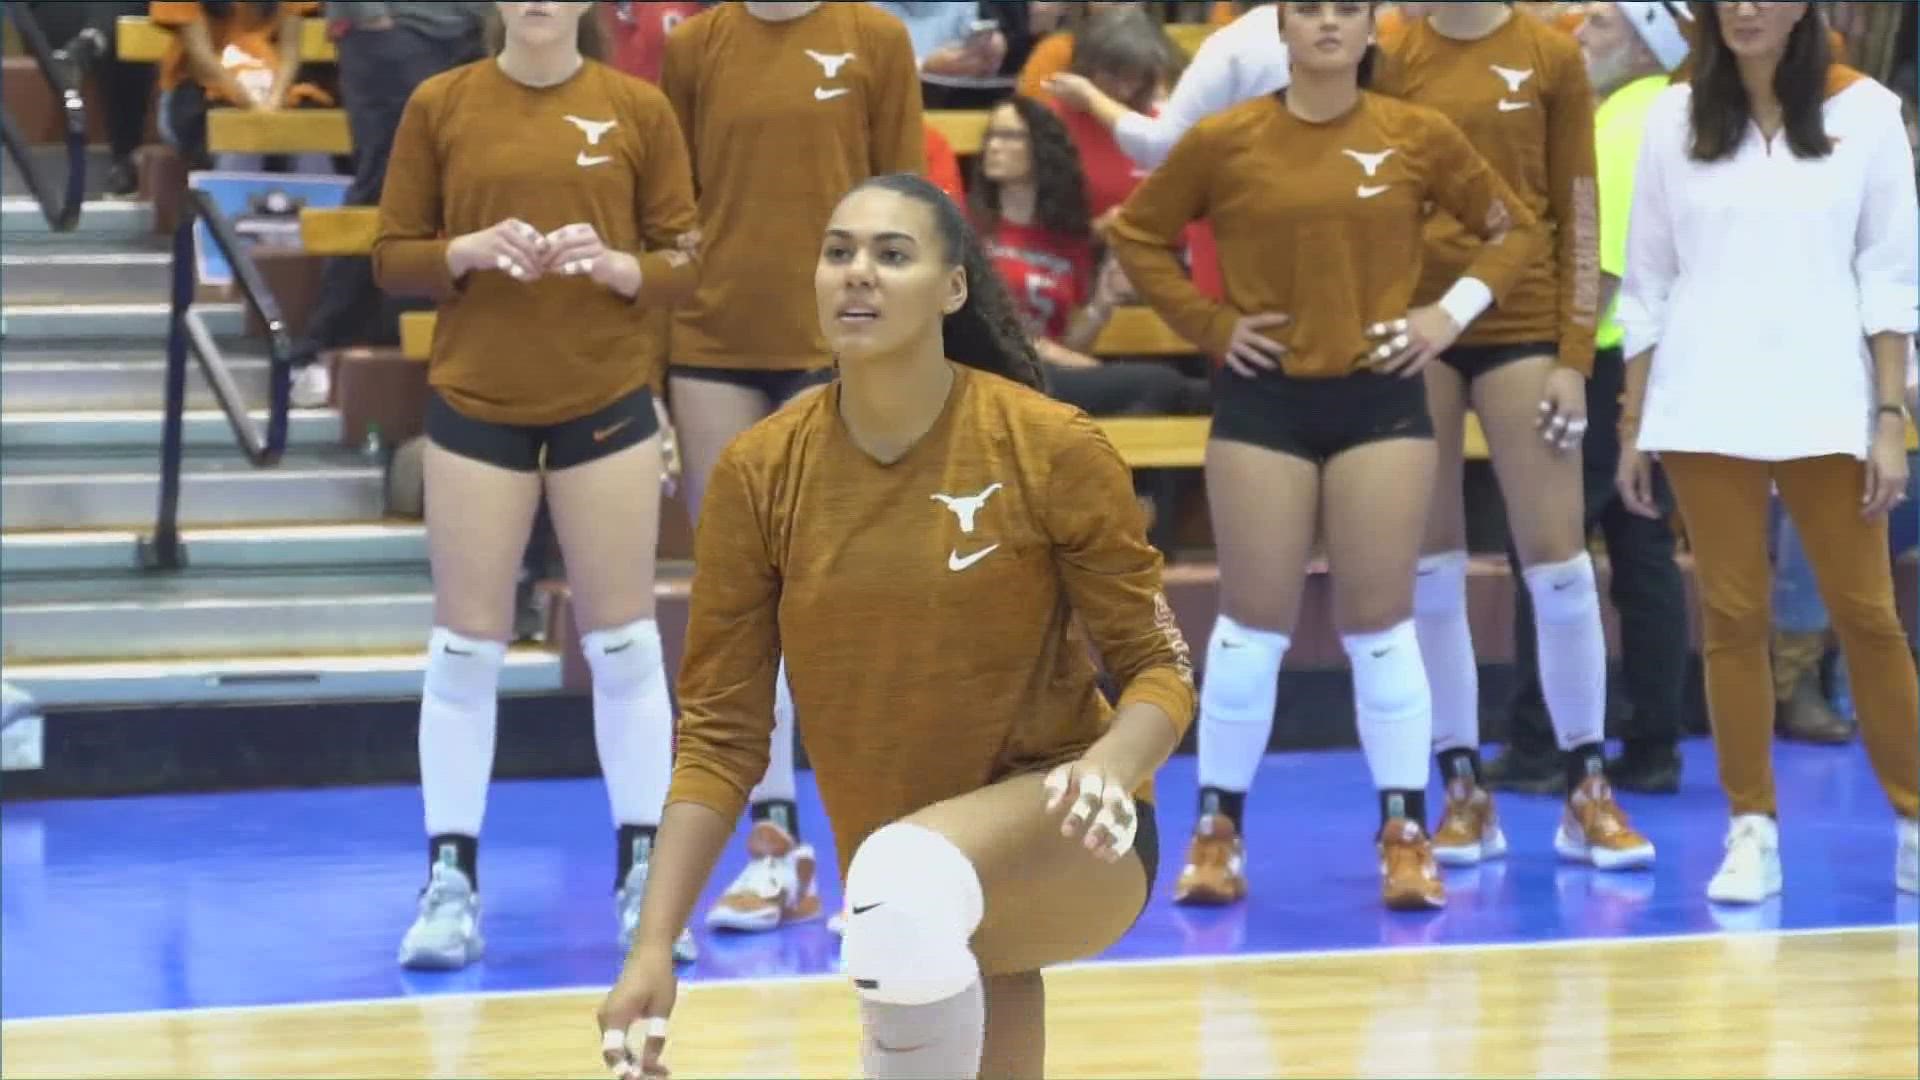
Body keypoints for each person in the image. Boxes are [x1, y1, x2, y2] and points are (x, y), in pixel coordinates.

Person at [596, 172, 1196, 1080]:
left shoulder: (1051, 445)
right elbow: (720, 737)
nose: (857, 273)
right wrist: (652, 945)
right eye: (838, 252)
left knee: (901, 879)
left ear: (952, 288)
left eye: (891, 253)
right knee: (908, 895)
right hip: (904, 885)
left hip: (1076, 831)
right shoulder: (761, 472)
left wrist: (1112, 770)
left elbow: (1158, 669)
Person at [1109, 0, 1544, 911]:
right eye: (1309, 9)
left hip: (1379, 398)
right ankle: (1217, 834)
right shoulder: (1228, 139)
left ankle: (1406, 832)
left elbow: (1516, 229)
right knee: (1251, 625)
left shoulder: (1413, 134)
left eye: (1348, 8)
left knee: (1381, 626)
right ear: (1282, 30)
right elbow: (1139, 233)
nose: (1329, 24)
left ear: (1371, 28)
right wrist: (1209, 324)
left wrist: (1444, 316)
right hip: (1264, 398)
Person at [371, 0, 701, 968]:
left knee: (627, 643)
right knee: (465, 651)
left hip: (605, 398)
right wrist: (462, 253)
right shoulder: (441, 103)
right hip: (477, 398)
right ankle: (448, 884)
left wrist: (618, 268)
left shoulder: (638, 110)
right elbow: (391, 256)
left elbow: (686, 259)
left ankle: (645, 877)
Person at [1615, 0, 1920, 904]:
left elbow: (1891, 273)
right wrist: (1635, 420)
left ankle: (1914, 816)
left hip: (1832, 401)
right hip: (1705, 401)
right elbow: (1648, 279)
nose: (1745, 8)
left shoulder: (1863, 111)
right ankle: (1752, 828)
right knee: (1733, 620)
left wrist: (1891, 417)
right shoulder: (1673, 116)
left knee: (1866, 615)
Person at [1353, 0, 1653, 874]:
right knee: (1432, 567)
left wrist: (1572, 356)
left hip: (1524, 323)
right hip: (1420, 327)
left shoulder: (1550, 57)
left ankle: (1586, 787)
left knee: (1559, 562)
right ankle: (1462, 794)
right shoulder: (1395, 55)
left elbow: (1579, 206)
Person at [656, 0, 923, 938]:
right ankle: (774, 851)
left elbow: (909, 212)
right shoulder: (695, 45)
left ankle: (880, 855)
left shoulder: (875, 39)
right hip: (711, 344)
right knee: (739, 603)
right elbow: (667, 211)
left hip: (840, 348)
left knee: (858, 599)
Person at [1489, 0, 1696, 798]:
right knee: (1642, 551)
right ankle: (1653, 745)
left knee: (1548, 553)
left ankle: (1543, 746)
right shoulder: (1670, 118)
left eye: (1604, 25)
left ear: (1649, 44)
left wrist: (1563, 358)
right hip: (1654, 360)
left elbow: (1600, 265)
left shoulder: (1619, 128)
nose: (1580, 34)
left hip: (1599, 357)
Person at [288, 1, 490, 407]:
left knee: (475, 184)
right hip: (390, 30)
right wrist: (368, 15)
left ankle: (434, 350)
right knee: (389, 182)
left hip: (481, 29)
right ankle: (320, 349)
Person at [1043, 0, 1291, 173]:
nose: (1126, 90)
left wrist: (1091, 97)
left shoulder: (1238, 41)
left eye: (1136, 78)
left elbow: (1164, 149)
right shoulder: (1054, 120)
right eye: (1115, 76)